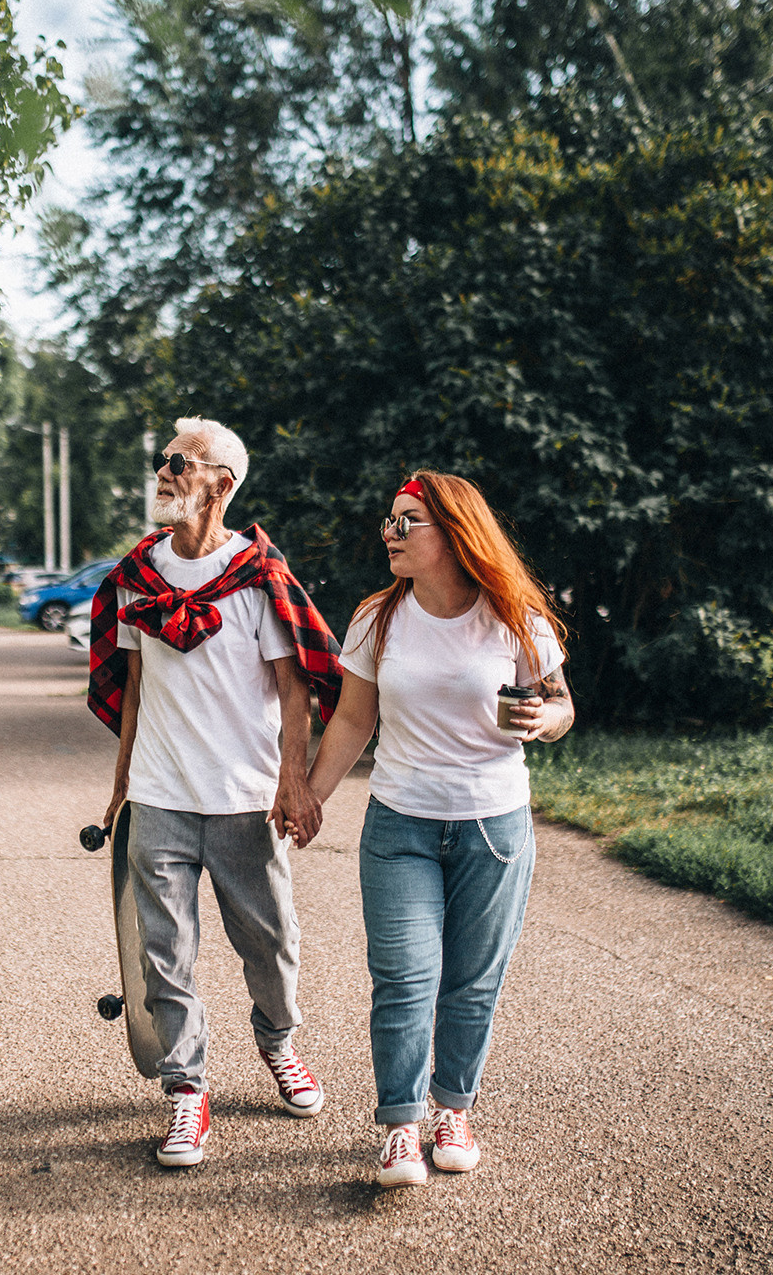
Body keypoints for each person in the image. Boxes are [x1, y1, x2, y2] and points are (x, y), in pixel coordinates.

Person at [298, 471, 573, 1188]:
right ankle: (399, 1126)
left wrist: (547, 720)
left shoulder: (513, 616)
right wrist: (309, 798)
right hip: (401, 824)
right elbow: (354, 719)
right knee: (404, 977)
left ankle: (452, 1108)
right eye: (388, 519)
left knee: (473, 981)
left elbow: (561, 703)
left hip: (494, 826)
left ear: (454, 532)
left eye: (406, 521)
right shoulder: (377, 617)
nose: (389, 532)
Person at [87, 417, 344, 1168]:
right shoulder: (140, 574)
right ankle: (187, 1091)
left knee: (270, 943)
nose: (163, 472)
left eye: (179, 463)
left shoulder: (257, 576)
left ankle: (279, 1039)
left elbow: (293, 684)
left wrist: (292, 777)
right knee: (164, 952)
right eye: (163, 462)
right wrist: (122, 782)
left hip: (243, 797)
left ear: (222, 483)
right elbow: (133, 687)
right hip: (162, 795)